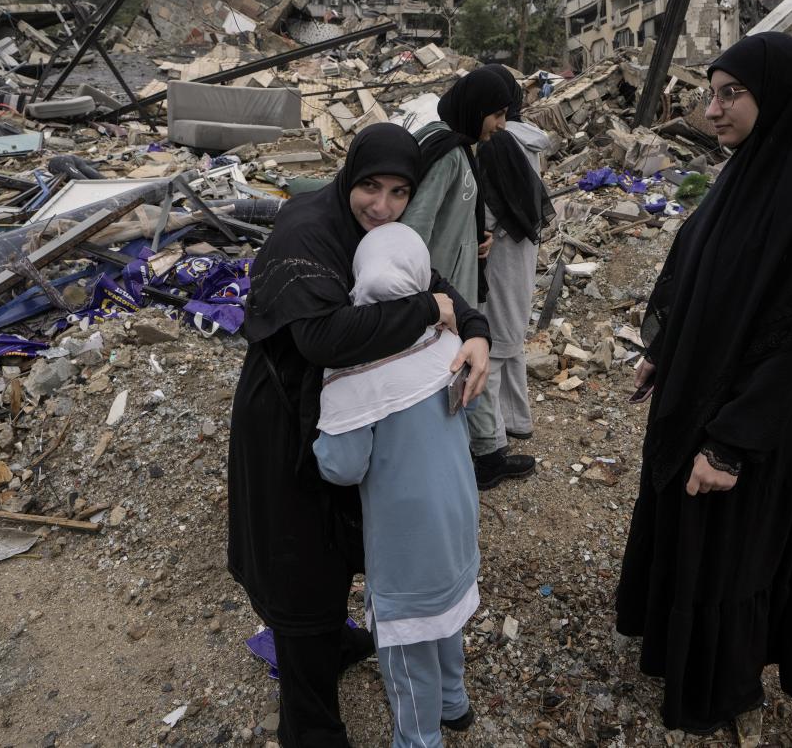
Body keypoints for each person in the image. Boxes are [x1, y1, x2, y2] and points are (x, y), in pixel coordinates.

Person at [614, 33, 792, 744]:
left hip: (757, 423)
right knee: (696, 539)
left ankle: (717, 686)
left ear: (780, 99)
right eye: (711, 92)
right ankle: (680, 656)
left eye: (731, 93)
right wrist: (666, 354)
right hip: (707, 390)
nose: (712, 109)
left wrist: (729, 444)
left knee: (733, 548)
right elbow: (702, 279)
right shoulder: (744, 176)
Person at [227, 122, 491, 748]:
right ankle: (312, 727)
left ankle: (344, 638)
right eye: (370, 187)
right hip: (287, 419)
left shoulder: (381, 230)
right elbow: (320, 338)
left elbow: (420, 274)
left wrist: (475, 326)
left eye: (400, 192)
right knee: (300, 564)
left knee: (351, 534)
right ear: (349, 175)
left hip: (354, 409)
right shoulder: (307, 232)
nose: (383, 207)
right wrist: (432, 312)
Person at [313, 223, 481, 748]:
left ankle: (419, 738)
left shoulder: (356, 365)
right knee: (447, 615)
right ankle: (455, 704)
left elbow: (342, 466)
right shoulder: (446, 339)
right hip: (457, 511)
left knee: (407, 642)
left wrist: (316, 439)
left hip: (405, 533)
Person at [401, 66, 536, 490]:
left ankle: (488, 455)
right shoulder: (447, 153)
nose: (500, 124)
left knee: (466, 366)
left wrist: (474, 239)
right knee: (462, 367)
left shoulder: (458, 146)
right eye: (496, 114)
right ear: (475, 108)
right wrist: (424, 292)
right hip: (443, 290)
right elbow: (418, 227)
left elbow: (449, 218)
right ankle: (481, 459)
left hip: (457, 280)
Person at [476, 70, 553, 446]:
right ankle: (516, 420)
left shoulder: (499, 142)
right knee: (511, 341)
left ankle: (491, 439)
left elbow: (494, 205)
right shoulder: (528, 140)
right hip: (522, 250)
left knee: (491, 345)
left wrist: (477, 232)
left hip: (500, 252)